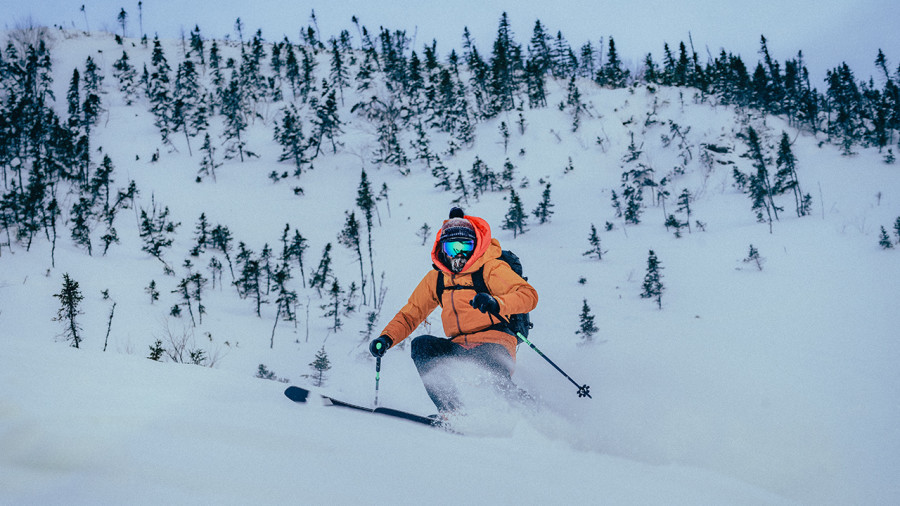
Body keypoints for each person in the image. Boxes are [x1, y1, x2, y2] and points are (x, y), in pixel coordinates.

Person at [369, 207, 538, 414]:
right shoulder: (437, 278)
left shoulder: (491, 268)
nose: (458, 254)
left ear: (475, 246)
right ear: (442, 250)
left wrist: (496, 302)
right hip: (459, 345)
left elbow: (528, 295)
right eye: (452, 248)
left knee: (490, 369)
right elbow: (411, 313)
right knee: (422, 345)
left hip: (495, 341)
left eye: (465, 247)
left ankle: (526, 411)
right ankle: (452, 412)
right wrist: (387, 338)